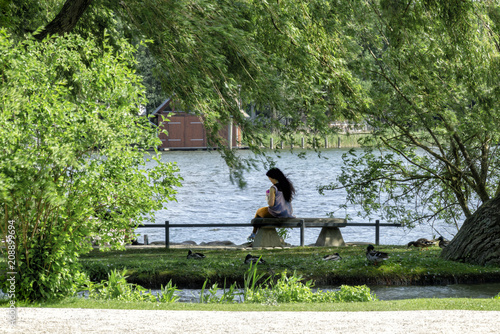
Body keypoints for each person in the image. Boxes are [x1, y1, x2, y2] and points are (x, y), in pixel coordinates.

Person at [248, 167, 296, 241]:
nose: (270, 180)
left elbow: (271, 204)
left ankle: (254, 233)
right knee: (261, 215)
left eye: (269, 178)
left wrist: (268, 196)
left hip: (277, 213)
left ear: (273, 178)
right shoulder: (287, 186)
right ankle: (258, 234)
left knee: (258, 212)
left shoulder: (273, 188)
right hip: (288, 212)